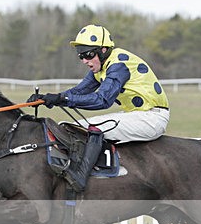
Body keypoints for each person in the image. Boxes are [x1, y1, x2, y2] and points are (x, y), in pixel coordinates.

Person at [28, 24, 170, 191]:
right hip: (138, 115)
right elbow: (78, 92)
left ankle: (80, 177)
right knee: (72, 126)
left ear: (103, 50)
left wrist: (62, 98)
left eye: (88, 55)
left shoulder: (118, 65)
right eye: (81, 56)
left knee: (91, 127)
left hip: (152, 118)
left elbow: (102, 100)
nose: (85, 61)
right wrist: (49, 99)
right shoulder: (102, 66)